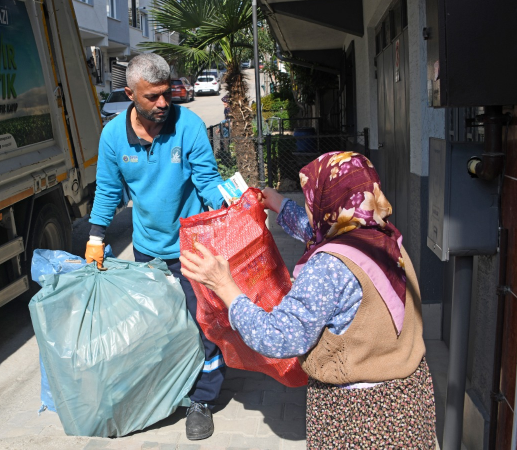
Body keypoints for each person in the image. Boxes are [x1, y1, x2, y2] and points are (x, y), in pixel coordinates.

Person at [180, 152, 437, 448]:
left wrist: (224, 285)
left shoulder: (329, 267)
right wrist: (279, 205)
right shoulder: (384, 238)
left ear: (327, 201)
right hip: (408, 403)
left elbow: (279, 338)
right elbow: (319, 233)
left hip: (360, 416)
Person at [84, 53, 227, 440]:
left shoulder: (189, 126)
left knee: (203, 324)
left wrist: (231, 210)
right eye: (153, 97)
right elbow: (108, 192)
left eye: (167, 94)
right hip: (147, 249)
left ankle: (203, 400)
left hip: (194, 247)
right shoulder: (114, 136)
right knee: (161, 328)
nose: (164, 103)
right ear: (130, 94)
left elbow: (207, 181)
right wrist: (96, 239)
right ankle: (170, 393)